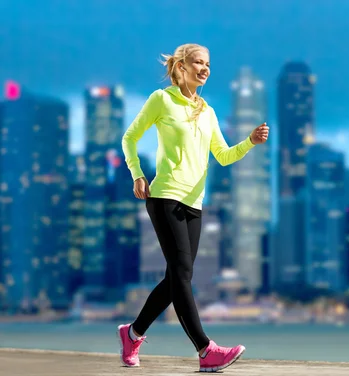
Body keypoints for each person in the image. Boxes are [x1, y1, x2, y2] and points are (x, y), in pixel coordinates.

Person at [117, 43, 269, 372]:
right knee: (183, 274)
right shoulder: (162, 100)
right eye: (198, 62)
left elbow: (224, 156)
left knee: (176, 277)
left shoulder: (209, 112)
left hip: (194, 203)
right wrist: (137, 174)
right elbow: (130, 137)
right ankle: (206, 350)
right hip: (165, 196)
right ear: (181, 66)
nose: (205, 68)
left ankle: (132, 333)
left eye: (208, 64)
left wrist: (250, 142)